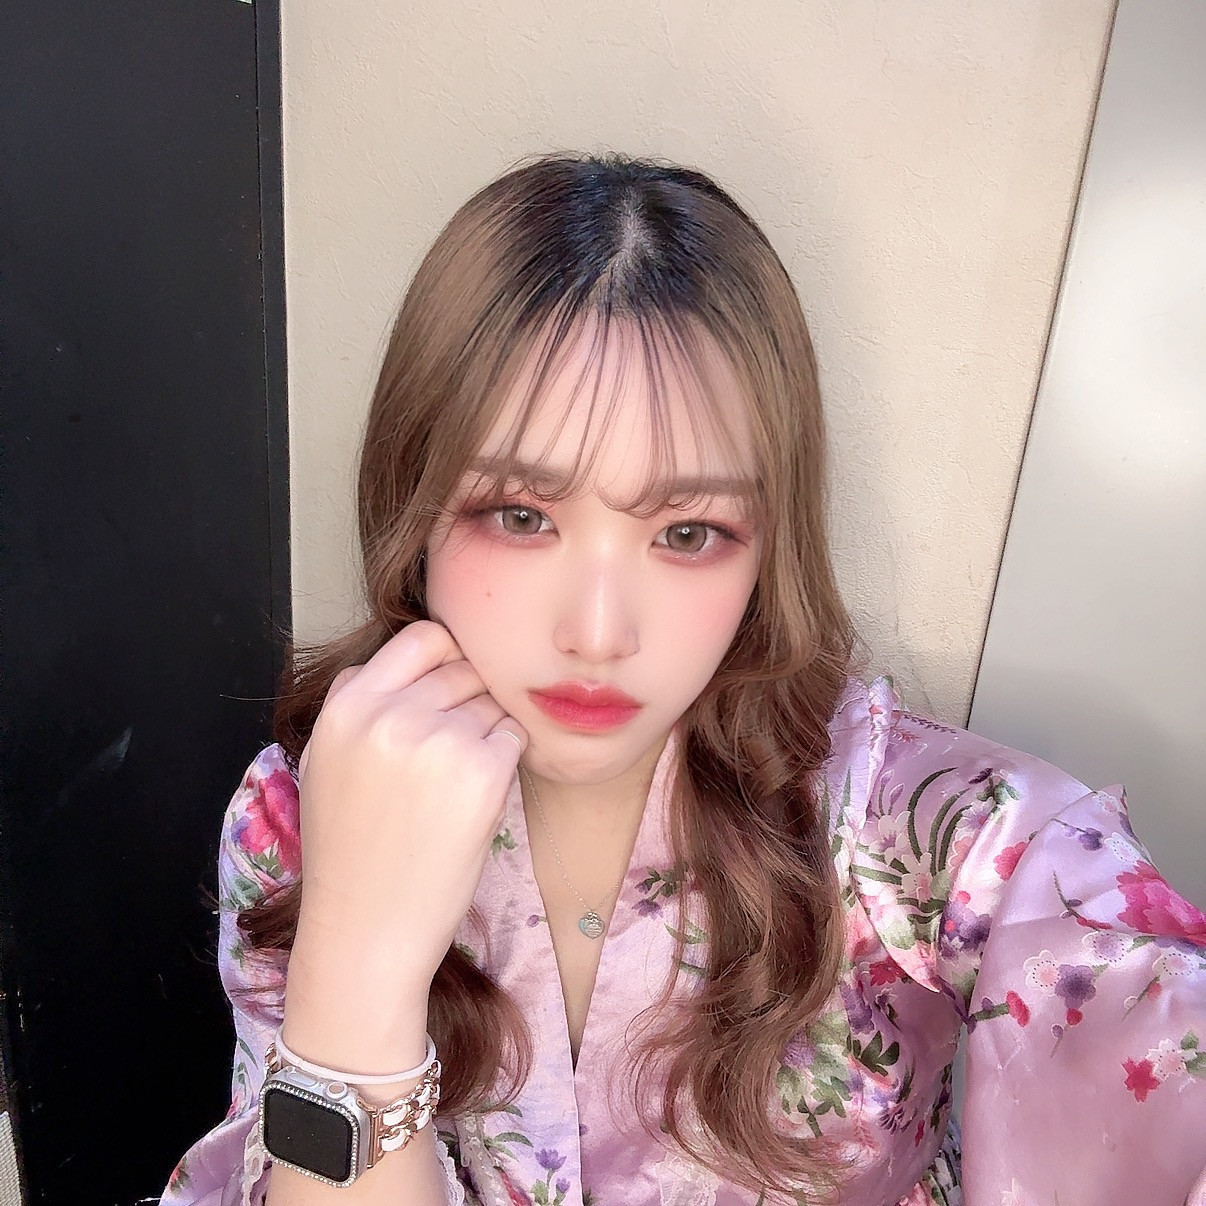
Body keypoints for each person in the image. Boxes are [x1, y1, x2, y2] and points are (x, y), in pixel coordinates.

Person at [160, 154, 1206, 1206]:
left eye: (689, 532)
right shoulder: (308, 810)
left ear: (766, 545)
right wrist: (355, 974)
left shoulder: (937, 837)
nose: (598, 633)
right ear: (414, 505)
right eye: (521, 515)